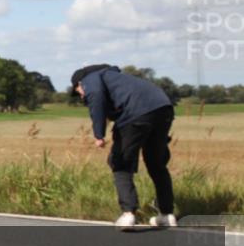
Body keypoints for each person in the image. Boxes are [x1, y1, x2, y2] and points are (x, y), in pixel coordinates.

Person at [71, 65, 177, 231]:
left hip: (136, 115)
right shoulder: (117, 79)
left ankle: (128, 214)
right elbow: (112, 106)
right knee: (156, 164)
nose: (80, 95)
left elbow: (96, 98)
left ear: (79, 83)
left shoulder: (89, 79)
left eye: (78, 91)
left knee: (120, 162)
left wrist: (99, 134)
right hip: (164, 108)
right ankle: (167, 215)